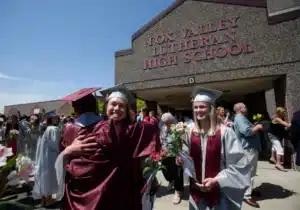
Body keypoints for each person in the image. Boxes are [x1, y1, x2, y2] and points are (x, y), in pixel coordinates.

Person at [55, 85, 160, 210]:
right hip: (96, 192)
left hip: (104, 195)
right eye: (113, 104)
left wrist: (67, 150)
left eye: (121, 106)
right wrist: (68, 151)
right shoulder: (103, 128)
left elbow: (151, 128)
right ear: (102, 107)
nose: (116, 109)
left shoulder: (68, 130)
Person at [178, 87, 251, 210]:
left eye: (202, 107)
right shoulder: (189, 131)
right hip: (196, 191)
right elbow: (187, 157)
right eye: (195, 107)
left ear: (211, 108)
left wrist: (216, 180)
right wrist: (181, 159)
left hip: (219, 192)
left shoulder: (225, 132)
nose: (198, 110)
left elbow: (239, 164)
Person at [233, 102, 263, 208]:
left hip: (249, 148)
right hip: (248, 149)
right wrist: (258, 127)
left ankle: (247, 190)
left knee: (249, 171)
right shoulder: (240, 118)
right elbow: (247, 132)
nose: (246, 108)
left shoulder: (241, 118)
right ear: (240, 109)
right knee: (249, 172)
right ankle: (247, 195)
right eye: (245, 106)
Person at [33, 111, 61, 206]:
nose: (56, 119)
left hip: (43, 157)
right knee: (49, 177)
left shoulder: (44, 129)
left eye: (57, 118)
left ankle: (43, 200)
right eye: (54, 118)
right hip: (51, 157)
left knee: (43, 176)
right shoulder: (54, 129)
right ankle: (48, 200)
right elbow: (55, 144)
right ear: (50, 119)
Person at [160, 112, 184, 205]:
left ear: (172, 120)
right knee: (164, 169)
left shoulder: (178, 128)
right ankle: (171, 181)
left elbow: (182, 142)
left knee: (177, 172)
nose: (166, 124)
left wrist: (179, 154)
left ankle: (178, 191)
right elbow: (161, 140)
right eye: (165, 122)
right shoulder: (163, 128)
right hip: (165, 154)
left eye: (168, 122)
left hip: (175, 154)